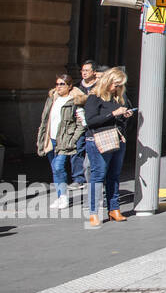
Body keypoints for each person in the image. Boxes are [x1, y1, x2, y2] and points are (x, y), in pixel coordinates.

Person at [83, 67, 135, 226]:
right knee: (98, 175)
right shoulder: (95, 96)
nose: (117, 88)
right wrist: (113, 114)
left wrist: (125, 116)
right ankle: (93, 212)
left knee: (114, 175)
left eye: (120, 85)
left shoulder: (118, 98)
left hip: (117, 139)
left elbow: (119, 122)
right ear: (108, 81)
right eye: (116, 84)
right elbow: (91, 121)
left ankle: (114, 209)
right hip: (98, 139)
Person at [37, 73, 86, 211]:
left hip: (64, 140)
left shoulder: (75, 101)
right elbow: (45, 120)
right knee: (55, 169)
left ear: (70, 86)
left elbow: (81, 123)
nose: (58, 87)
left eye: (62, 84)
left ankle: (63, 197)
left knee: (59, 167)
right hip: (50, 139)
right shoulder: (52, 99)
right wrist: (41, 136)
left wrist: (73, 139)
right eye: (57, 84)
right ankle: (60, 195)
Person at [70, 60, 98, 187]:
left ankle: (90, 177)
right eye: (82, 70)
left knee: (91, 151)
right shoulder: (76, 87)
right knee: (77, 148)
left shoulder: (99, 87)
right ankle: (78, 178)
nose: (84, 73)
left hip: (93, 123)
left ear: (94, 72)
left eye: (87, 70)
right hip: (79, 123)